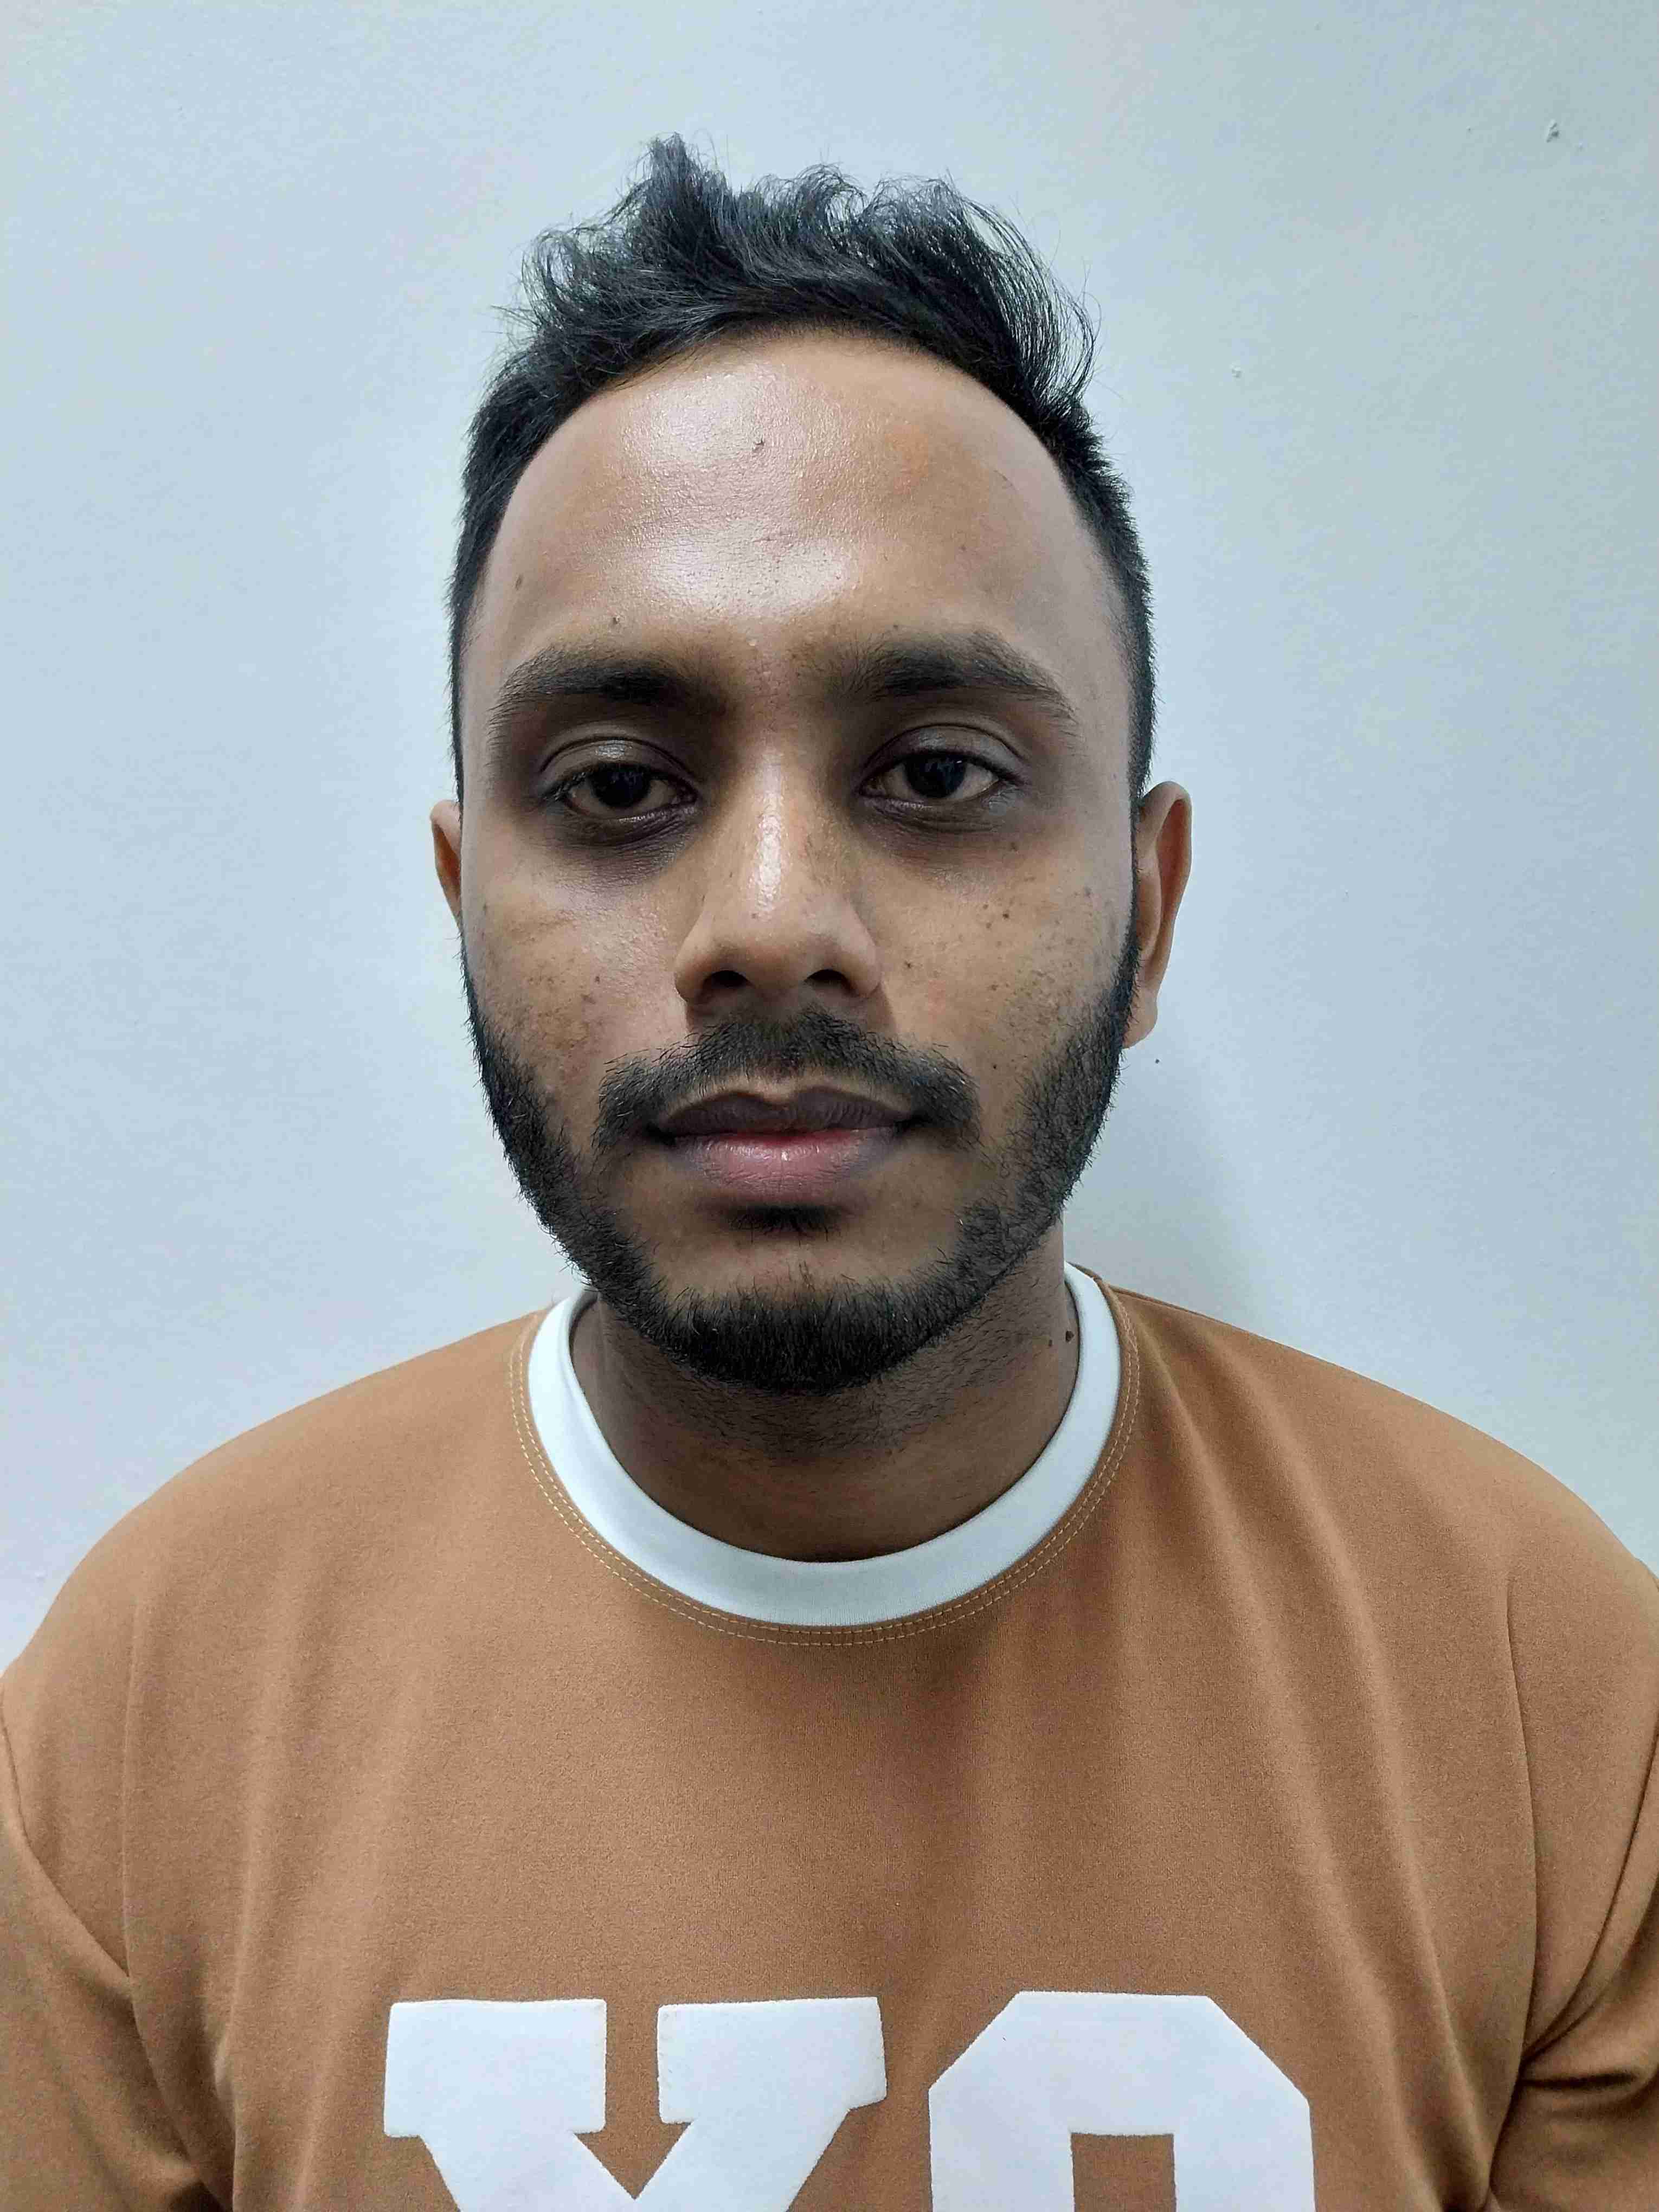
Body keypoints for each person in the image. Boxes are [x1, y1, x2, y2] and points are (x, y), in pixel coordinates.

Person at [3, 135, 1654, 2211]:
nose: (771, 922)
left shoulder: (1538, 1684)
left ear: (1146, 910)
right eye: (619, 786)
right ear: (462, 902)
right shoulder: (152, 1710)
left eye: (939, 772)